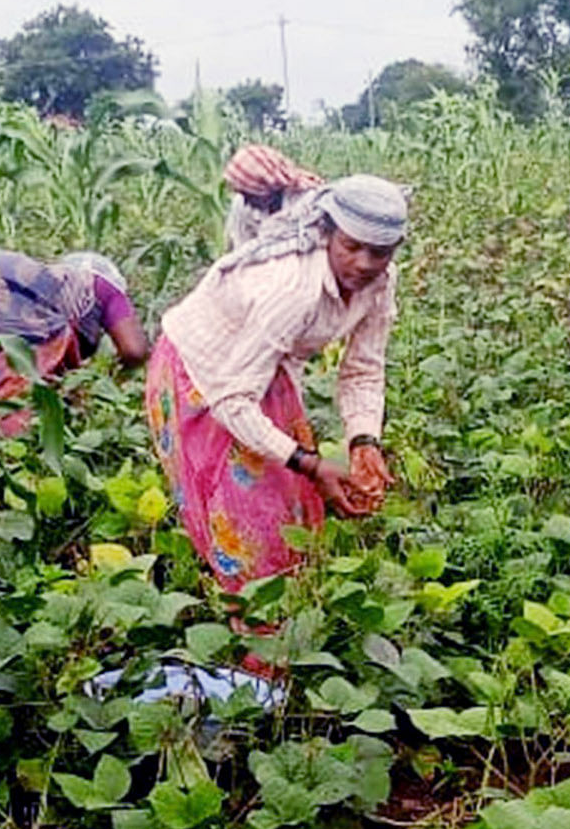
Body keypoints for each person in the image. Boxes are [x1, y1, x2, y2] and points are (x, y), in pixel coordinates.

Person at [148, 175, 407, 590]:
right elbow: (231, 400)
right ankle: (255, 636)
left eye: (378, 252)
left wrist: (364, 442)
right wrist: (311, 464)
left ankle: (283, 618)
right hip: (199, 374)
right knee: (246, 530)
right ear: (327, 234)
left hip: (264, 373)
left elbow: (364, 369)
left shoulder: (381, 281)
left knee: (290, 512)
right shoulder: (293, 287)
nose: (363, 263)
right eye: (350, 246)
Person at [0, 248, 149, 436]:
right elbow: (135, 351)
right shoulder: (102, 286)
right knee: (22, 405)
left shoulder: (48, 285)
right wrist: (112, 380)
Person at [222, 143, 322, 249]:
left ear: (265, 187)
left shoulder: (307, 200)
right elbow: (240, 247)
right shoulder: (241, 205)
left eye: (250, 195)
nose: (246, 202)